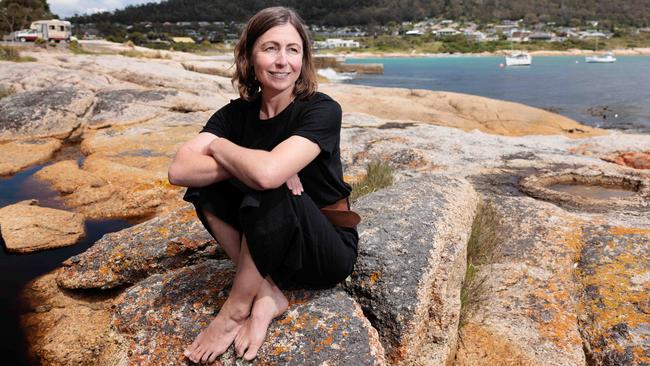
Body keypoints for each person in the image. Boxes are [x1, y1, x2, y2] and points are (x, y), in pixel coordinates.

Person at [167, 6, 360, 364]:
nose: (282, 61)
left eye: (293, 50)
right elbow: (179, 170)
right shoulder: (234, 114)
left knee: (270, 182)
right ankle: (268, 291)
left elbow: (268, 176)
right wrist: (250, 161)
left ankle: (236, 310)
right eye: (270, 48)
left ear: (304, 58)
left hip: (323, 250)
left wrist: (220, 148)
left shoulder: (321, 110)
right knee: (206, 186)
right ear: (249, 55)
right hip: (271, 251)